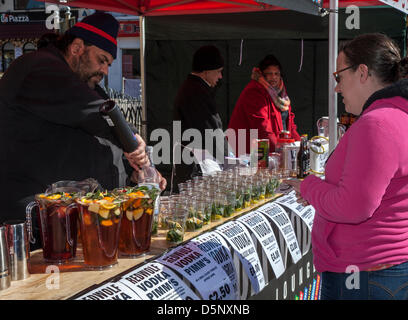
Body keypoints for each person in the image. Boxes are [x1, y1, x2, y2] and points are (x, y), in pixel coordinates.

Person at [0, 12, 166, 226]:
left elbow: (105, 131)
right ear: (76, 48)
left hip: (70, 213)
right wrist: (133, 139)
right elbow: (99, 115)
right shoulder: (39, 67)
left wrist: (135, 172)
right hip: (33, 216)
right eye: (101, 60)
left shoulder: (85, 85)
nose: (105, 70)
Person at [286, 33, 408, 300]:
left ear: (362, 72)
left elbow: (354, 207)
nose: (337, 88)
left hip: (364, 275)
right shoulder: (397, 114)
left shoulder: (378, 123)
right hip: (378, 272)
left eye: (339, 77)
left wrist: (308, 186)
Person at [173, 45, 229, 187]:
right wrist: (228, 161)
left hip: (193, 164)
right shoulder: (196, 92)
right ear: (206, 71)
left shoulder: (193, 88)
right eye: (218, 72)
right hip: (196, 168)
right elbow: (211, 132)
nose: (220, 76)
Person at [228, 54, 300, 155]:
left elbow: (290, 125)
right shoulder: (255, 91)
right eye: (269, 74)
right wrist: (282, 151)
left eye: (276, 74)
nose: (273, 77)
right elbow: (262, 127)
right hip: (249, 151)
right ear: (262, 75)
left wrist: (300, 146)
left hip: (272, 149)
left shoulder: (281, 93)